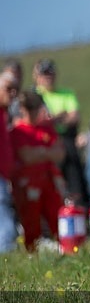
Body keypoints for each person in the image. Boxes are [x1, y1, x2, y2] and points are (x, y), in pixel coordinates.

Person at [9, 90, 65, 251]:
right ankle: (31, 251)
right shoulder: (18, 131)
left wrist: (39, 152)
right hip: (27, 184)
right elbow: (27, 156)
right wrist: (47, 152)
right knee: (31, 220)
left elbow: (60, 153)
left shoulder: (46, 129)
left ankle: (64, 247)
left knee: (57, 216)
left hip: (49, 180)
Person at [33, 59, 90, 206]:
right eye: (45, 74)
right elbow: (38, 120)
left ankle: (78, 204)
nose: (48, 78)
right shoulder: (34, 95)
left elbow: (74, 117)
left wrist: (54, 119)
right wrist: (60, 116)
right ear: (37, 76)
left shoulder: (66, 93)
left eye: (51, 74)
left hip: (66, 140)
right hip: (44, 141)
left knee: (73, 167)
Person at [0, 72, 19, 252]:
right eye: (8, 88)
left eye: (15, 89)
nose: (12, 93)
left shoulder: (4, 114)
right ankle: (6, 253)